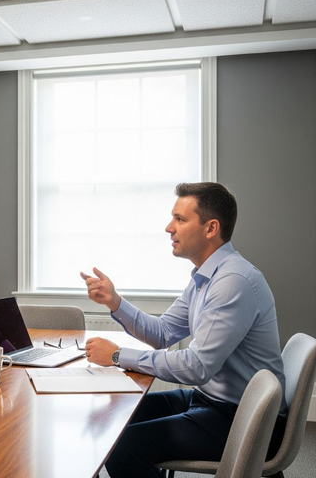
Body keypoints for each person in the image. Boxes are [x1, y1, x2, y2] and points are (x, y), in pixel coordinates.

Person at [80, 182, 287, 478]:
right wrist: (115, 302)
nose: (169, 227)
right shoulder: (206, 277)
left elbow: (196, 367)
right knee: (118, 415)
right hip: (211, 401)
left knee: (122, 447)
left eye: (180, 219)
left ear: (210, 228)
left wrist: (117, 356)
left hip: (243, 419)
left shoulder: (233, 281)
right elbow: (163, 332)